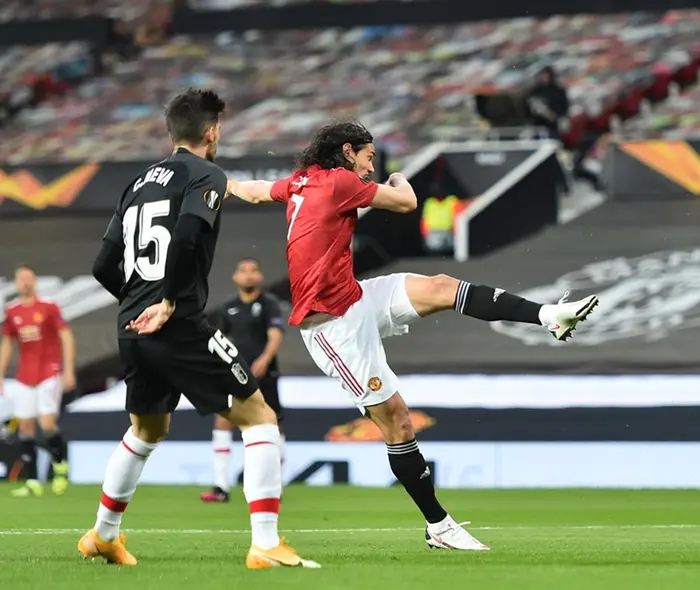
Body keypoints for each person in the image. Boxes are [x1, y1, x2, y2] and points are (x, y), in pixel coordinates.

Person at [227, 120, 599, 551]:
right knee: (398, 423)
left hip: (355, 297)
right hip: (331, 328)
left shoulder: (301, 181)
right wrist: (398, 178)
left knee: (441, 286)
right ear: (348, 151)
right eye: (368, 156)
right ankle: (438, 525)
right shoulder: (340, 183)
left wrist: (222, 184)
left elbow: (255, 191)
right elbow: (406, 201)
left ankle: (550, 315)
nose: (371, 166)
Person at [84, 88, 317, 569]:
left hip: (133, 327)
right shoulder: (207, 174)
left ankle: (104, 536)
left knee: (147, 429)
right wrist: (166, 301)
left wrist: (138, 304)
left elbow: (104, 264)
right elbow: (188, 235)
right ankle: (266, 544)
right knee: (260, 419)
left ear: (172, 133)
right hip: (178, 322)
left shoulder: (137, 184)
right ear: (212, 132)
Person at [202, 258, 285, 504]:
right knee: (223, 420)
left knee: (274, 424)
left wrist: (265, 359)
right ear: (235, 278)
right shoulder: (228, 308)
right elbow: (219, 339)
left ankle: (274, 486)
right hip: (236, 374)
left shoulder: (269, 305)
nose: (249, 275)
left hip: (264, 373)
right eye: (243, 271)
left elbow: (276, 334)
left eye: (253, 271)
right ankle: (221, 486)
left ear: (260, 276)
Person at [0, 265, 75, 497]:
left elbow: (66, 336)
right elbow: (8, 344)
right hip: (25, 375)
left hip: (49, 372)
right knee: (25, 425)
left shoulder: (49, 307)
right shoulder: (12, 311)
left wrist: (68, 370)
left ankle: (60, 466)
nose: (25, 282)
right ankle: (32, 480)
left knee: (47, 423)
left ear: (35, 281)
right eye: (20, 279)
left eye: (28, 278)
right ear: (16, 282)